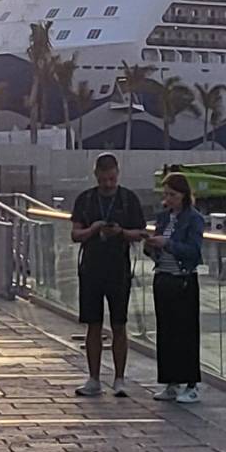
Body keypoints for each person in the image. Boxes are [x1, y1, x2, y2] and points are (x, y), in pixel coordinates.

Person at [70, 152, 146, 397]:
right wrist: (93, 229)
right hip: (91, 268)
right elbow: (75, 234)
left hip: (118, 268)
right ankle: (93, 378)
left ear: (117, 174)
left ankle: (119, 378)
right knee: (93, 324)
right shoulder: (86, 200)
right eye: (103, 180)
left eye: (112, 179)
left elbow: (140, 233)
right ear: (96, 176)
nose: (108, 184)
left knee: (119, 324)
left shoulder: (128, 199)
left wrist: (121, 232)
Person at [145, 171, 207, 403]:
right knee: (166, 332)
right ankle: (171, 381)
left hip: (183, 279)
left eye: (172, 195)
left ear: (183, 195)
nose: (168, 199)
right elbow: (157, 247)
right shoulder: (163, 217)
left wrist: (168, 244)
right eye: (166, 195)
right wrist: (151, 246)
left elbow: (193, 251)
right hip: (163, 276)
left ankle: (191, 383)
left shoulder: (193, 219)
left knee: (186, 333)